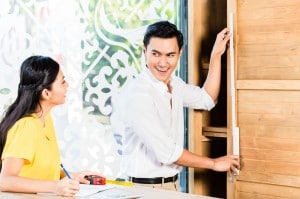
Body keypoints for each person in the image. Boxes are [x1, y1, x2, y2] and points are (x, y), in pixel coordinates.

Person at [110, 21, 240, 191]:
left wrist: (216, 55)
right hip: (143, 188)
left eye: (170, 55)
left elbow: (207, 99)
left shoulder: (174, 84)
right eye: (156, 54)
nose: (163, 63)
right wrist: (214, 163)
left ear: (180, 53)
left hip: (171, 185)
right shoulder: (138, 95)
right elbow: (167, 152)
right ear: (144, 52)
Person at [0, 55, 101, 197]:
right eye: (62, 82)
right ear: (46, 93)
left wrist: (72, 176)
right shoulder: (25, 126)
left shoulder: (45, 118)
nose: (68, 85)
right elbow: (5, 180)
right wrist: (55, 187)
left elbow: (39, 169)